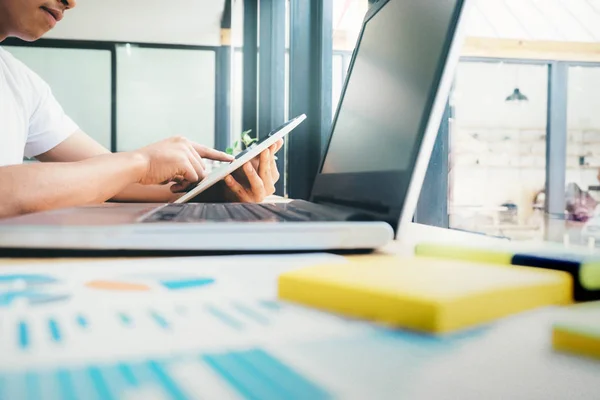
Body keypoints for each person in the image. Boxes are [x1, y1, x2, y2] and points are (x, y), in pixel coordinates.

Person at [0, 0, 282, 218]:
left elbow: (112, 179)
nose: (71, 2)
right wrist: (140, 162)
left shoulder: (20, 82)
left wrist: (219, 188)